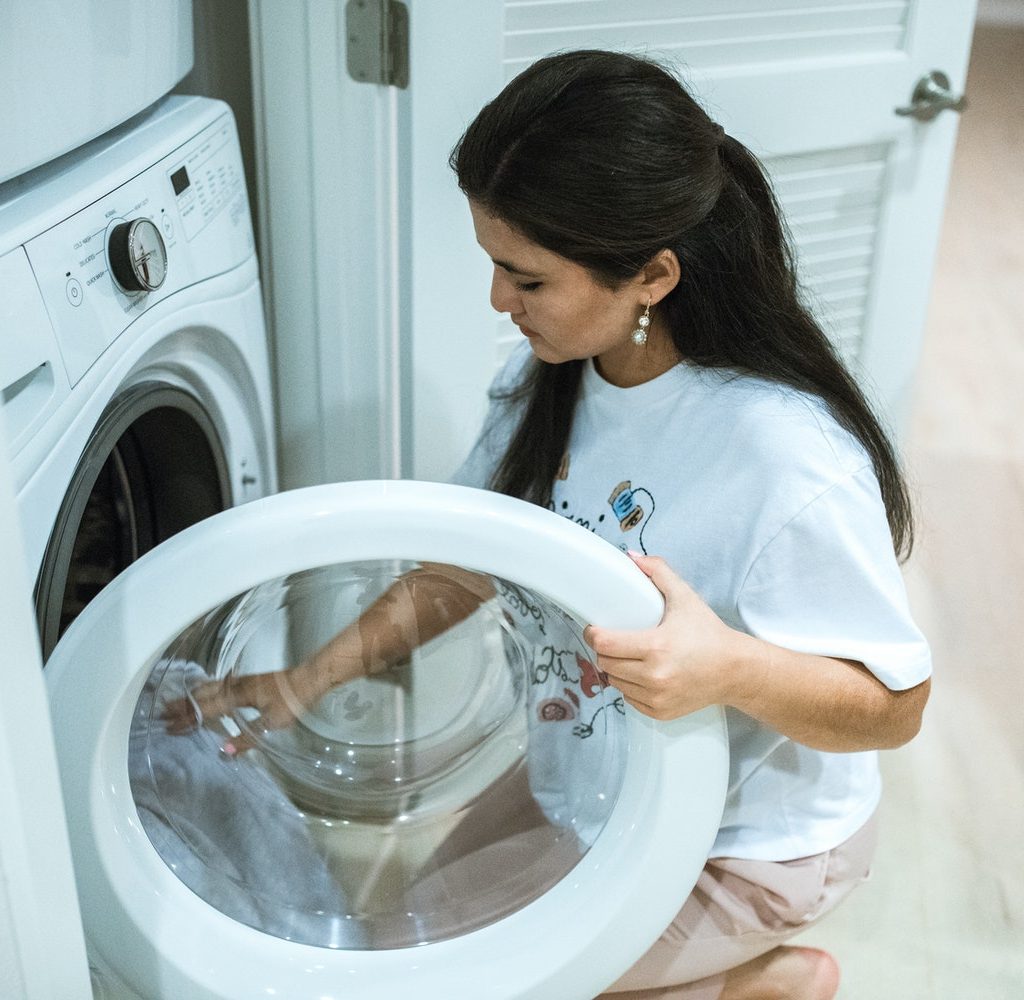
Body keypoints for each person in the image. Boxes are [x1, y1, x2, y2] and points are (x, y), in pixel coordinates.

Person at [172, 49, 932, 1000]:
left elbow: (895, 705)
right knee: (399, 952)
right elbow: (469, 568)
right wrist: (301, 681)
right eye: (496, 265)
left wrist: (727, 668)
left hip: (748, 842)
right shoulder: (557, 382)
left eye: (526, 278)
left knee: (484, 988)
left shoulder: (784, 457)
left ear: (652, 275)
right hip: (593, 775)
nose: (499, 301)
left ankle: (766, 982)